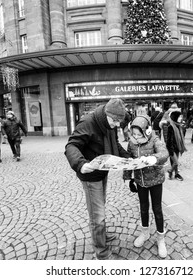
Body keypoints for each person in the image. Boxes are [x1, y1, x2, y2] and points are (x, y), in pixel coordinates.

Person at [65, 98, 131, 260]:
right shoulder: (88, 122)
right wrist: (81, 164)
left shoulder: (109, 123)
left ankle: (101, 237)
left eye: (119, 121)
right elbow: (71, 146)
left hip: (103, 172)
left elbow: (115, 143)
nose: (117, 125)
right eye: (115, 121)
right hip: (90, 175)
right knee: (97, 215)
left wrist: (129, 159)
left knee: (100, 207)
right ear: (107, 114)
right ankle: (101, 253)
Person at [123, 115, 169, 258]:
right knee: (143, 208)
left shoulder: (154, 139)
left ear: (147, 131)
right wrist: (126, 177)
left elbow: (164, 153)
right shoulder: (131, 143)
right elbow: (129, 160)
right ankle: (145, 233)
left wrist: (154, 158)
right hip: (140, 181)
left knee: (157, 209)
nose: (136, 137)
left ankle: (161, 239)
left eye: (139, 134)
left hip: (155, 180)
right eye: (134, 134)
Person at [166, 109, 186, 181]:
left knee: (175, 162)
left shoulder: (179, 126)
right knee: (176, 163)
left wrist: (184, 128)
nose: (181, 118)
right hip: (172, 148)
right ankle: (170, 171)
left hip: (177, 147)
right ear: (175, 118)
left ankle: (176, 174)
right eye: (179, 117)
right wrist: (170, 150)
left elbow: (181, 137)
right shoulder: (170, 127)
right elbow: (168, 140)